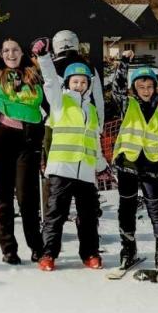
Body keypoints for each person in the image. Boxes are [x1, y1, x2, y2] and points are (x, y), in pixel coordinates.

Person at [32, 39, 104, 271]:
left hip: (85, 172)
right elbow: (50, 82)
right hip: (62, 169)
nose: (79, 85)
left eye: (83, 82)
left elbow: (94, 139)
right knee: (56, 214)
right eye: (75, 81)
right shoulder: (60, 103)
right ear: (68, 83)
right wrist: (44, 57)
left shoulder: (91, 110)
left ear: (88, 84)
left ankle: (90, 253)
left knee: (88, 216)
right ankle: (48, 254)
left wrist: (101, 163)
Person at [0, 36, 46, 264]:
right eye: (6, 51)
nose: (11, 54)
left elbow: (45, 102)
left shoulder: (34, 75)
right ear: (1, 55)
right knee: (4, 197)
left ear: (22, 53)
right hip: (0, 139)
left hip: (27, 139)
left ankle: (37, 246)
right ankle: (9, 249)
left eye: (15, 50)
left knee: (27, 196)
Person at [110, 51, 158, 270]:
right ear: (134, 88)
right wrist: (124, 63)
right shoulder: (128, 104)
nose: (146, 91)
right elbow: (116, 88)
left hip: (151, 163)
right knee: (126, 207)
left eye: (149, 87)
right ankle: (128, 250)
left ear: (155, 87)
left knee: (156, 208)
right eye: (141, 87)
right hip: (128, 162)